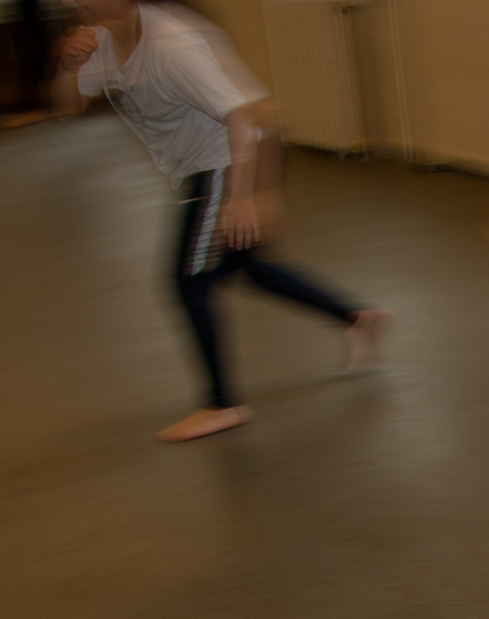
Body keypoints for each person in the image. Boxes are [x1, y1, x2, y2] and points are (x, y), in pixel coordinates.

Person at [50, 0, 390, 442]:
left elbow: (244, 116)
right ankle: (357, 317)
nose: (76, 2)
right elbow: (67, 108)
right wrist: (67, 67)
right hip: (201, 168)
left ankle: (222, 404)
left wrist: (248, 195)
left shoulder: (170, 46)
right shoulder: (100, 40)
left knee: (189, 281)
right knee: (247, 267)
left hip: (225, 164)